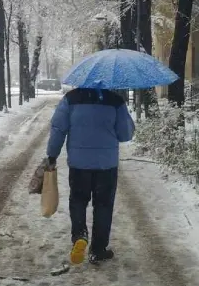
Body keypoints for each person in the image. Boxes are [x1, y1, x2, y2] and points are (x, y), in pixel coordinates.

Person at [46, 88, 135, 265]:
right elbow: (125, 134)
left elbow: (58, 129)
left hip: (79, 164)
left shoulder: (71, 99)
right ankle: (98, 250)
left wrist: (52, 155)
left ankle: (80, 234)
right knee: (103, 205)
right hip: (106, 165)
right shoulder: (115, 100)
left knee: (78, 200)